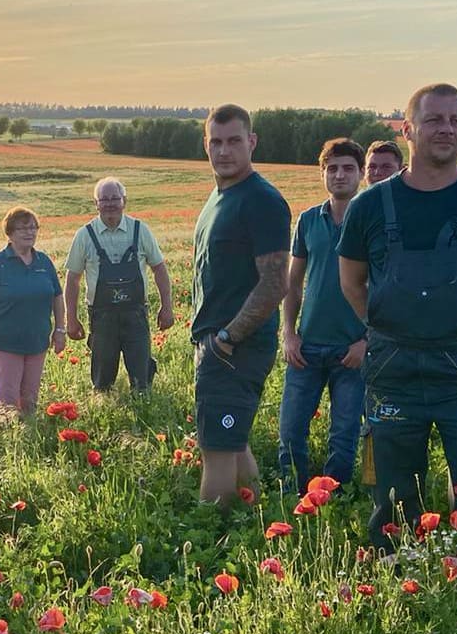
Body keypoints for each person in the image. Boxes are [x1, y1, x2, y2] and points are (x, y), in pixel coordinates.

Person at [338, 84, 457, 552]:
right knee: (393, 499)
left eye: (456, 121)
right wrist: (392, 330)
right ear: (407, 129)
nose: (446, 129)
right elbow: (351, 284)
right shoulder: (369, 206)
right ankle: (394, 575)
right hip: (393, 373)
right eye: (434, 120)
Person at [190, 104, 292, 505]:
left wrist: (228, 338)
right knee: (232, 442)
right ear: (206, 145)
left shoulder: (261, 200)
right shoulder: (220, 197)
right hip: (219, 344)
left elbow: (274, 282)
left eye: (234, 141)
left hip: (235, 347)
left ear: (251, 142)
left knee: (214, 451)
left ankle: (206, 542)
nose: (224, 150)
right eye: (215, 142)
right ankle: (261, 519)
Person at [277, 138, 368, 494]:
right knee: (290, 430)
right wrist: (289, 333)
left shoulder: (370, 221)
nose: (339, 175)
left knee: (344, 434)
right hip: (308, 347)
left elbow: (386, 290)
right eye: (332, 168)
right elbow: (293, 283)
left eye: (348, 168)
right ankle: (291, 497)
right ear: (322, 174)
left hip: (352, 351)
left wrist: (367, 340)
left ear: (360, 173)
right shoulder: (308, 220)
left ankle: (333, 498)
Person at [62, 178, 174, 392]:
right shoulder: (84, 235)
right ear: (96, 204)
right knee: (102, 381)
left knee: (142, 380)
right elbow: (72, 279)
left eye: (115, 198)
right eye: (104, 199)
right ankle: (105, 409)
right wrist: (71, 319)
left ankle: (143, 412)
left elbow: (159, 269)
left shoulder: (141, 230)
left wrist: (167, 307)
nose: (110, 203)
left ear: (125, 201)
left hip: (136, 314)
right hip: (101, 317)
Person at [0, 207, 66, 413]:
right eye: (23, 228)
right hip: (6, 343)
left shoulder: (43, 261)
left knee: (30, 400)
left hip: (37, 341)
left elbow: (57, 296)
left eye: (33, 228)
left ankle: (28, 438)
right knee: (6, 401)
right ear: (10, 232)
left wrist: (60, 329)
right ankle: (4, 438)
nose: (30, 233)